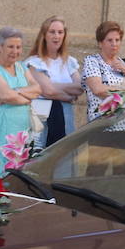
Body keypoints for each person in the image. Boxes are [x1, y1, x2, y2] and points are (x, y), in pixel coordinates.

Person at [81, 21, 125, 173]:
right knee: (96, 172)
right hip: (103, 127)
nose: (114, 44)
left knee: (124, 174)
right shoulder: (93, 61)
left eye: (117, 40)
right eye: (109, 40)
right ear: (100, 43)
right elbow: (98, 89)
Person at [0, 27, 41, 171]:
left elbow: (37, 89)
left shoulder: (22, 67)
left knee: (14, 176)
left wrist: (17, 91)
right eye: (10, 46)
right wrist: (27, 98)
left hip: (19, 133)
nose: (15, 51)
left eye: (18, 47)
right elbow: (6, 96)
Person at [24, 16, 82, 149]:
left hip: (65, 115)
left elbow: (79, 88)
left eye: (60, 32)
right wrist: (69, 96)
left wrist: (50, 85)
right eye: (52, 32)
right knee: (41, 153)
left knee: (63, 155)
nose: (56, 36)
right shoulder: (34, 62)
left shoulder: (69, 62)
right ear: (44, 35)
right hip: (42, 116)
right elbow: (49, 91)